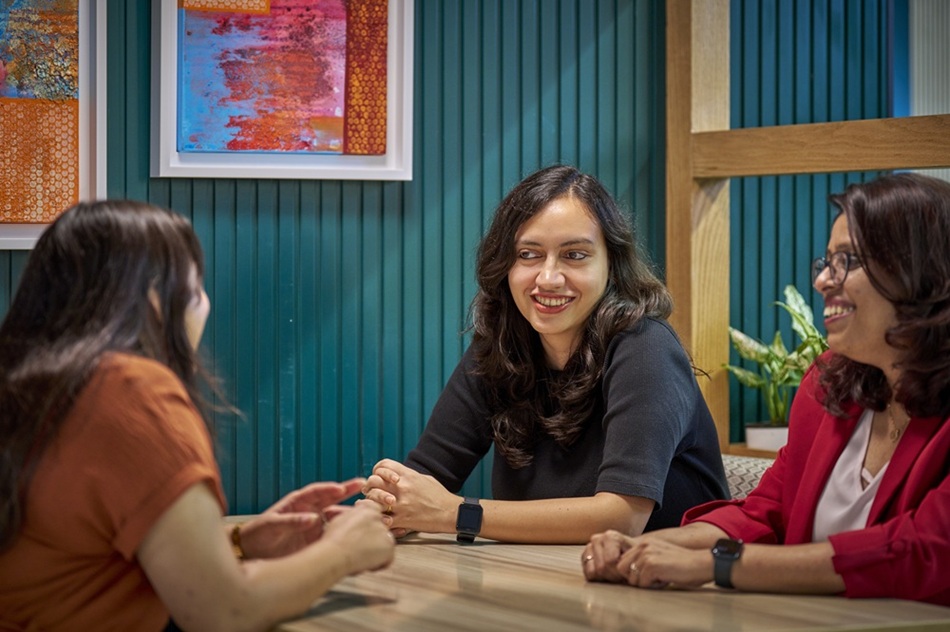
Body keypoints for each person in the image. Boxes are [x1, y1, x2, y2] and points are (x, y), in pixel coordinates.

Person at [0, 201, 395, 631]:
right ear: (154, 298)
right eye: (196, 285)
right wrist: (344, 551)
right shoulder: (130, 390)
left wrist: (238, 543)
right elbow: (224, 611)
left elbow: (78, 557)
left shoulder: (30, 384)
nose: (204, 303)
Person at [581, 172, 950, 606]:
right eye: (826, 262)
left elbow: (925, 550)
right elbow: (767, 512)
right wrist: (658, 547)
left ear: (924, 271)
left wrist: (718, 567)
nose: (823, 281)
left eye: (848, 260)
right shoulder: (830, 384)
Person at [360, 165, 729, 544]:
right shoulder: (501, 346)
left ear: (611, 265)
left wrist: (455, 513)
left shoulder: (645, 347)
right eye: (528, 254)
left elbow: (621, 518)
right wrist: (384, 509)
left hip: (673, 591)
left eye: (574, 255)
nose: (549, 278)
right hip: (546, 580)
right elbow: (425, 479)